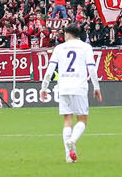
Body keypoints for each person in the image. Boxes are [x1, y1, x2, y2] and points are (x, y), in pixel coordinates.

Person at [41, 24, 102, 164]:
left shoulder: (59, 48)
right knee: (82, 120)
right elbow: (91, 69)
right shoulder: (86, 47)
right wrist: (96, 87)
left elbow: (50, 69)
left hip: (63, 87)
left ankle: (68, 156)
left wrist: (43, 87)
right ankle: (72, 141)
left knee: (67, 121)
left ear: (67, 34)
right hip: (79, 86)